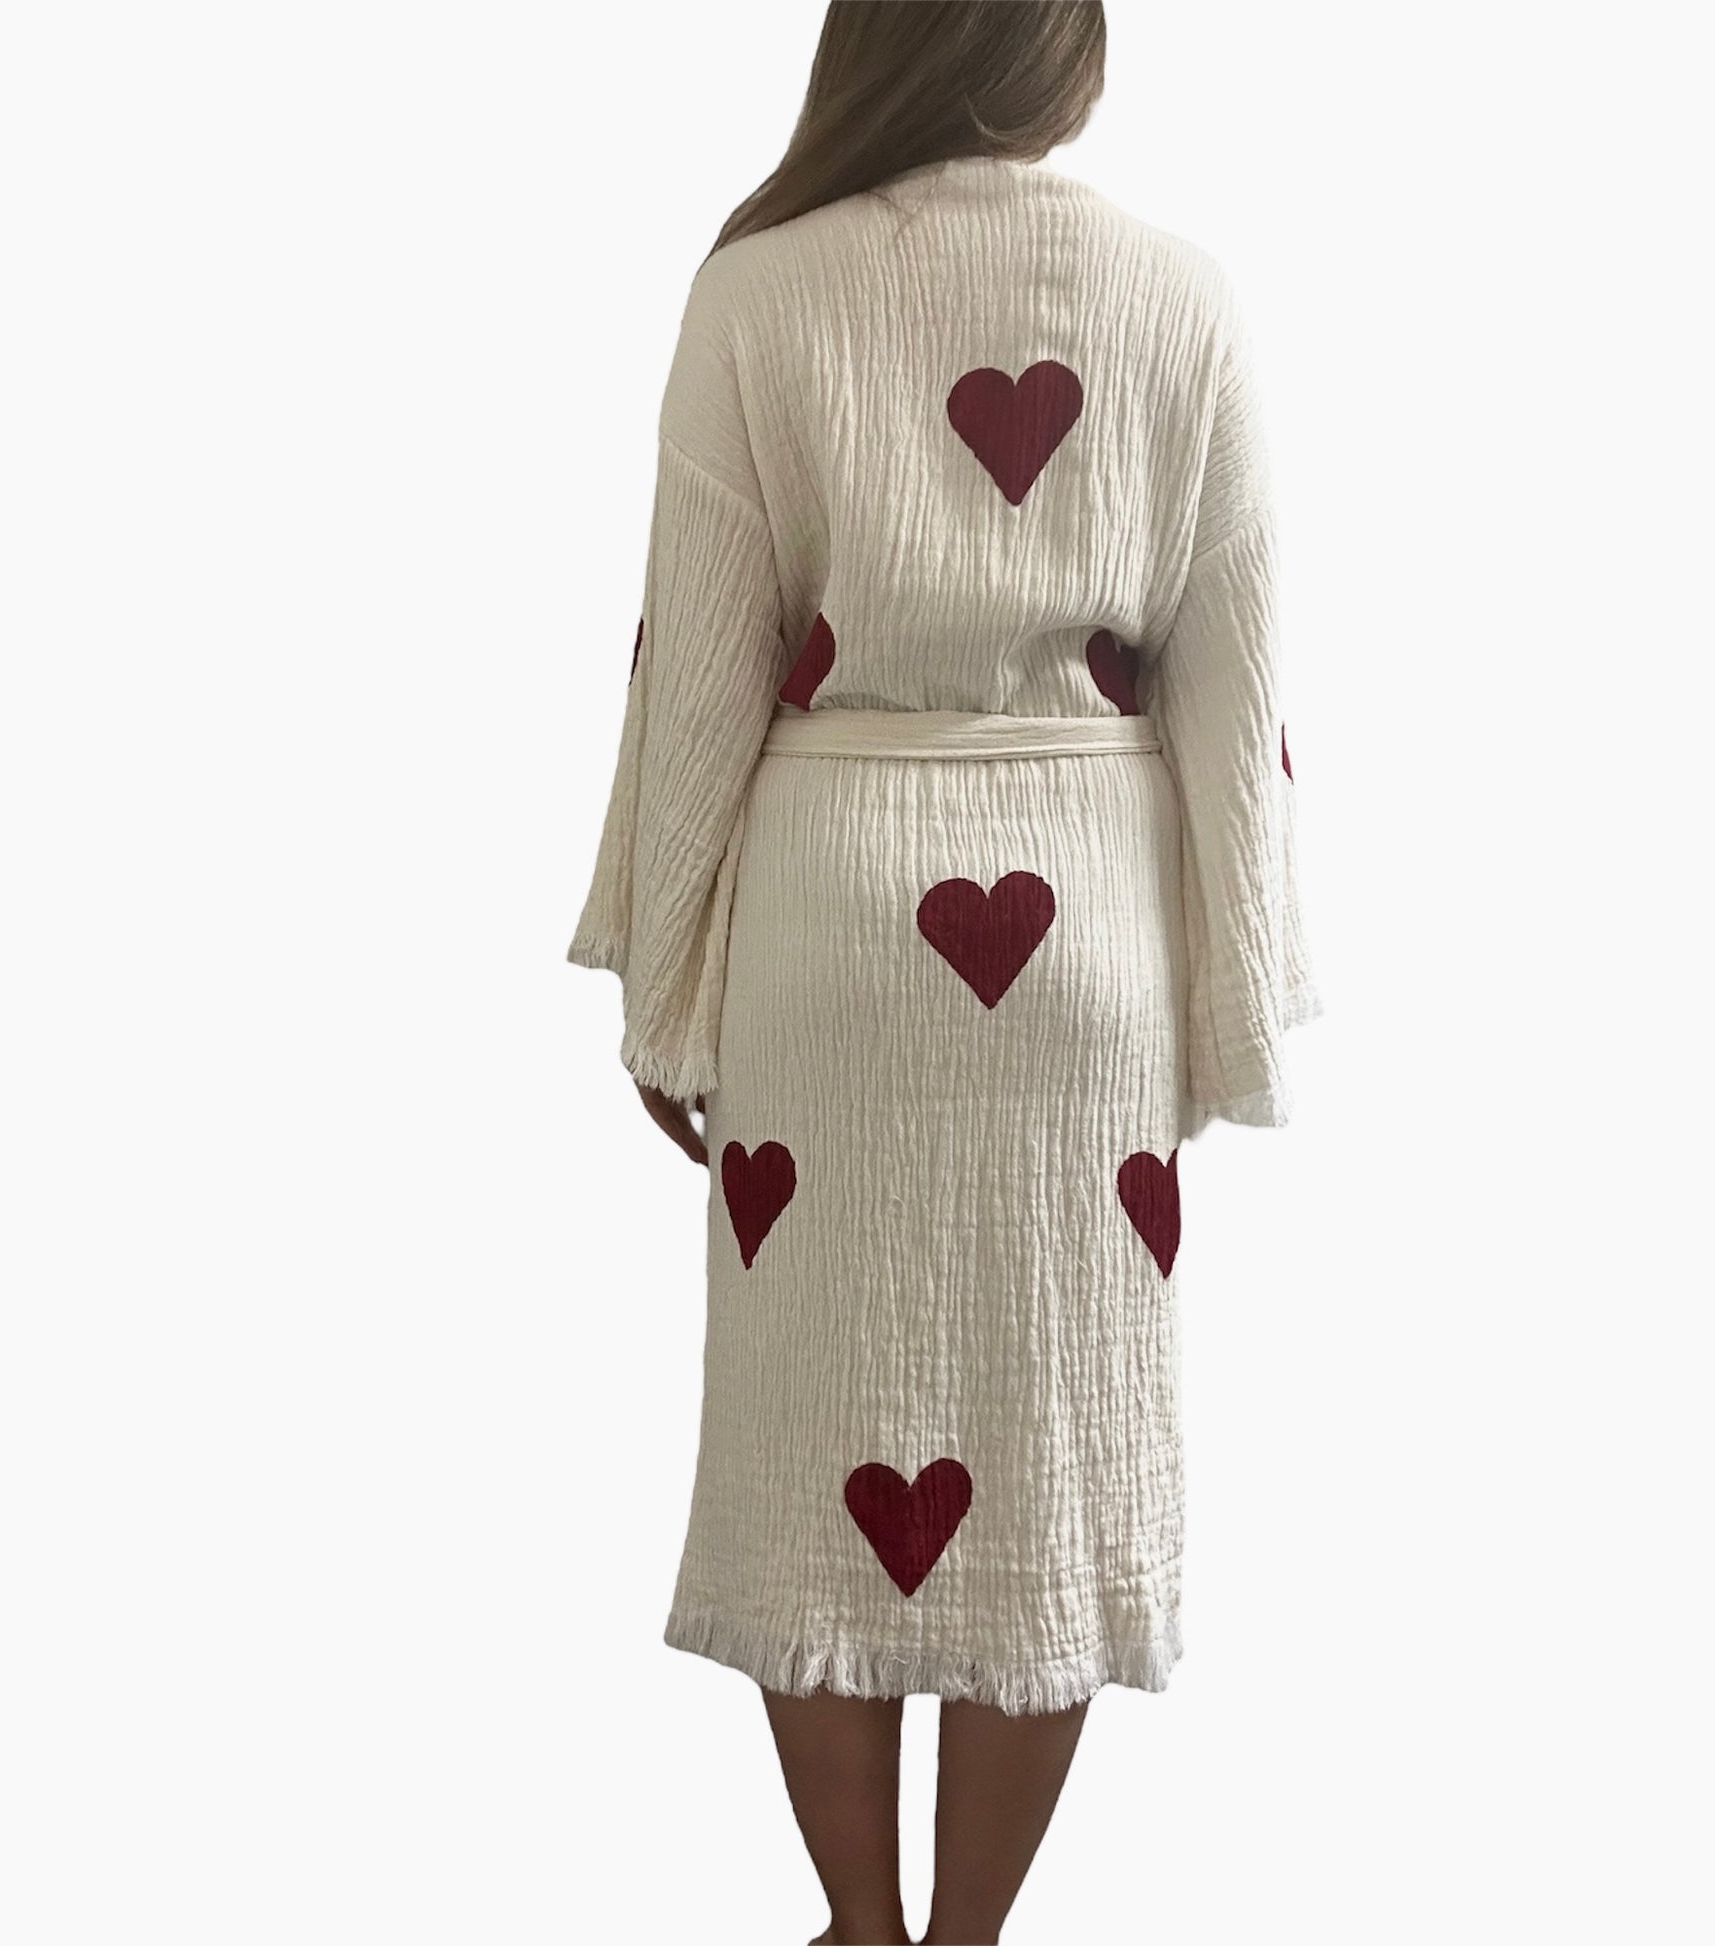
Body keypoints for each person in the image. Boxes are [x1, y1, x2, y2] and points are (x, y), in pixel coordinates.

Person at [566, 5, 1318, 1940]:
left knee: (814, 1419)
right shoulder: (1183, 300)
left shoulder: (757, 290)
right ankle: (970, 1935)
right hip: (1089, 953)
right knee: (1052, 1430)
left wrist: (667, 971)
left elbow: (700, 662)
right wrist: (1231, 1006)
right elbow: (1232, 677)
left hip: (827, 932)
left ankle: (860, 1923)